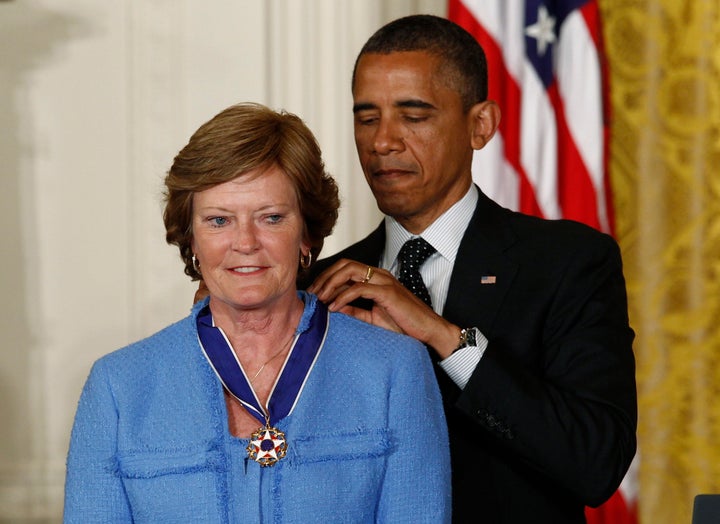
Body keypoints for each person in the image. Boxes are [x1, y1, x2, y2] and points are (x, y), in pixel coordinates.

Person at [305, 14, 637, 524]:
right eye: (367, 117)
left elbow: (595, 462)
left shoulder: (567, 262)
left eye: (413, 116)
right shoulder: (319, 284)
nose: (382, 142)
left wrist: (442, 337)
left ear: (480, 125)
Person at [64, 102, 451, 523]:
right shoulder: (118, 387)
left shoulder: (394, 369)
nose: (245, 242)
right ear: (191, 238)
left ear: (306, 234)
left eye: (270, 217)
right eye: (218, 220)